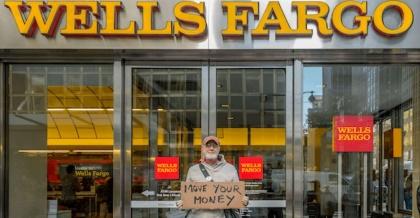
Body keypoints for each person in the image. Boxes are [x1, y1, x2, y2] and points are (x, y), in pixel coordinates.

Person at [176, 136, 249, 217]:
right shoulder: (193, 170)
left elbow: (237, 202)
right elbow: (186, 199)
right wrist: (182, 204)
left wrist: (243, 202)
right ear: (202, 148)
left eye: (214, 145)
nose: (211, 148)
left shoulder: (230, 169)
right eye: (208, 145)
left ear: (219, 148)